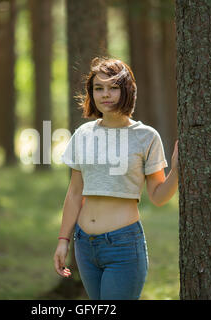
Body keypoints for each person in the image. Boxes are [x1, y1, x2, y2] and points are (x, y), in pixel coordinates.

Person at [53, 57, 179, 300]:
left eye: (113, 87)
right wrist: (63, 240)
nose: (105, 94)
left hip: (123, 246)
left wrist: (176, 170)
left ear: (127, 91)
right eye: (98, 88)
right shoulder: (83, 134)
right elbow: (74, 193)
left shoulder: (146, 137)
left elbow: (158, 196)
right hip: (85, 245)